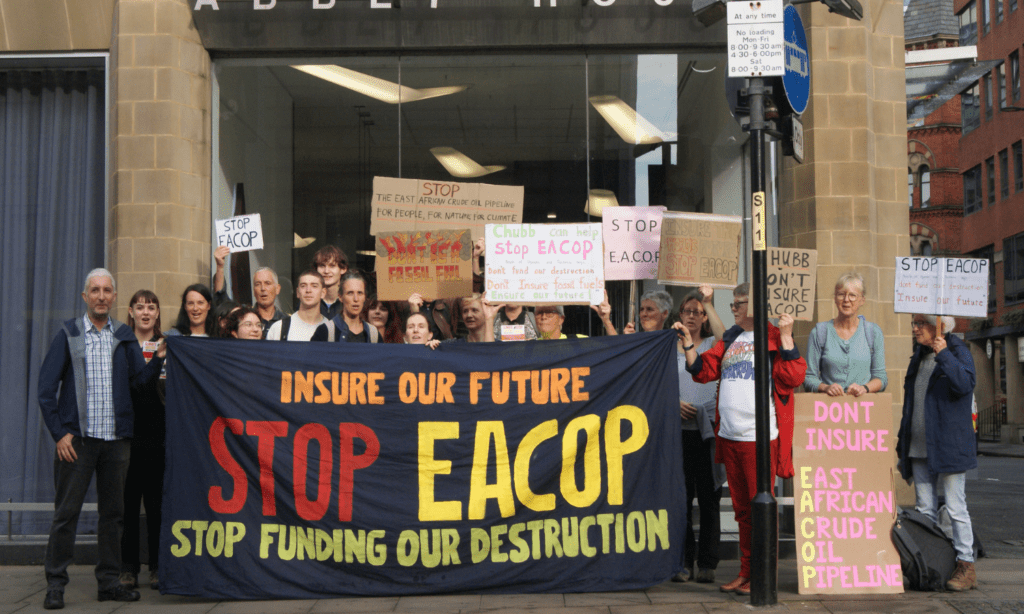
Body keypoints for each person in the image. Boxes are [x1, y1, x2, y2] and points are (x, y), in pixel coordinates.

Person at [36, 269, 166, 610]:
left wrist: (159, 360)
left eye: (108, 290)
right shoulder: (70, 333)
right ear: (85, 297)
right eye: (95, 290)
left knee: (114, 516)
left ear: (114, 297)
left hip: (116, 441)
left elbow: (139, 382)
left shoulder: (123, 336)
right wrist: (59, 433)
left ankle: (109, 583)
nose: (101, 296)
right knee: (66, 514)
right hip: (77, 442)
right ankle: (55, 584)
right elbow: (46, 390)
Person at [676, 282, 806, 596]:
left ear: (757, 305)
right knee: (742, 511)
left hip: (758, 438)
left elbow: (794, 377)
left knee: (760, 507)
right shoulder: (731, 338)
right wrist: (689, 346)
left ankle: (762, 575)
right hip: (729, 435)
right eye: (733, 303)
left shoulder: (773, 337)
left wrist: (787, 336)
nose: (733, 308)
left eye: (739, 303)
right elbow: (703, 371)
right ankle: (746, 572)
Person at [897, 315, 978, 591]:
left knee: (955, 507)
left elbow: (965, 385)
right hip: (919, 445)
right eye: (914, 322)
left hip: (949, 445)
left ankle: (966, 565)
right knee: (924, 510)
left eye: (921, 322)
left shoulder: (958, 352)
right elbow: (911, 403)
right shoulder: (918, 357)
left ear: (940, 325)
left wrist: (944, 354)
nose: (915, 328)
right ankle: (928, 566)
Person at [672, 285, 726, 584]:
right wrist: (672, 403)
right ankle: (682, 562)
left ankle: (707, 563)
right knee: (681, 499)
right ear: (680, 315)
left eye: (699, 312)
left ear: (705, 318)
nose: (693, 316)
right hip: (677, 431)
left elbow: (725, 336)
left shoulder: (712, 345)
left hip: (707, 433)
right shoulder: (668, 346)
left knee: (709, 498)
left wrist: (708, 300)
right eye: (688, 310)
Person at [119, 290, 166, 592]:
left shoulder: (168, 345)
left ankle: (158, 567)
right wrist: (155, 362)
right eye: (140, 307)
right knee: (128, 506)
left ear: (158, 312)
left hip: (159, 435)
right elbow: (134, 387)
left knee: (157, 506)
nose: (146, 312)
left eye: (151, 307)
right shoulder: (122, 346)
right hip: (128, 436)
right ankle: (128, 568)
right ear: (131, 312)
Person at [804, 272, 886, 396]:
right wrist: (826, 388)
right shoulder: (819, 332)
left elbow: (881, 378)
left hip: (863, 410)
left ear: (862, 300)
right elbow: (808, 378)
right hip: (829, 411)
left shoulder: (873, 332)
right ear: (835, 299)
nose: (846, 300)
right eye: (841, 294)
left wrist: (864, 388)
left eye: (853, 295)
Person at [266, 270, 333, 342]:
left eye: (314, 286)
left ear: (323, 293)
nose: (308, 290)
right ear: (298, 292)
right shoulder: (278, 328)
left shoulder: (332, 330)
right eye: (303, 286)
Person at [313, 271, 379, 343]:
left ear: (365, 297)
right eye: (350, 293)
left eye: (360, 293)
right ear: (340, 297)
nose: (356, 299)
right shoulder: (324, 331)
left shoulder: (373, 334)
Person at [313, 245, 349, 320]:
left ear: (343, 269)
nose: (326, 271)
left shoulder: (349, 302)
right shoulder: (309, 301)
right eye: (322, 266)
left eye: (332, 266)